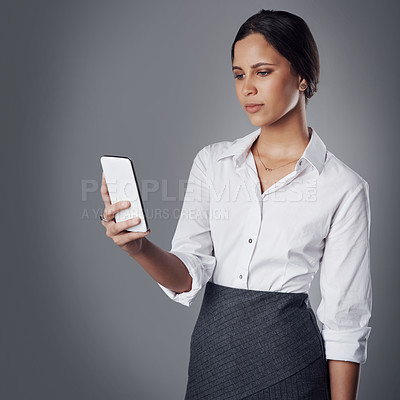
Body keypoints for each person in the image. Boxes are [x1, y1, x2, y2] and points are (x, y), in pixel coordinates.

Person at [100, 9, 372, 400]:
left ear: (302, 75)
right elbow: (188, 274)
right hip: (214, 357)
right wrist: (138, 248)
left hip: (292, 365)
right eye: (238, 74)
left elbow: (346, 321)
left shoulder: (344, 188)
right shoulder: (213, 163)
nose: (246, 88)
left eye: (262, 72)